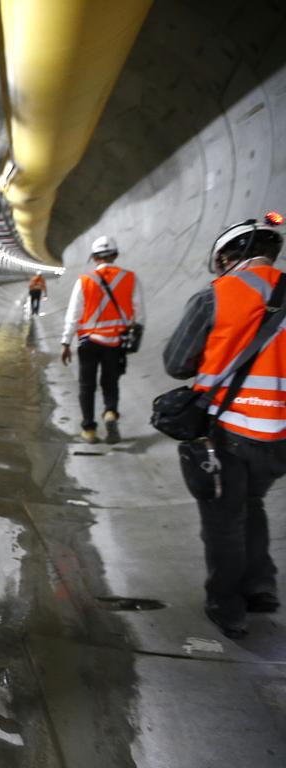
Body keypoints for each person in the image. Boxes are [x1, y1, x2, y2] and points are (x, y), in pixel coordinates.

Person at [163, 213, 286, 639]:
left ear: (232, 256)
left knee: (223, 519)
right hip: (280, 439)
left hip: (230, 431)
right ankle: (261, 586)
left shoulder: (215, 296)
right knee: (253, 502)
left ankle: (227, 605)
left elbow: (177, 363)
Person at [60, 235, 145, 444]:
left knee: (86, 386)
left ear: (94, 257)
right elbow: (139, 313)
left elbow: (74, 314)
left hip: (89, 343)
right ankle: (110, 413)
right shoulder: (130, 278)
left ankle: (89, 429)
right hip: (115, 343)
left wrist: (65, 342)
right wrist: (134, 334)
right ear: (115, 255)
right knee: (110, 382)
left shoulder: (84, 281)